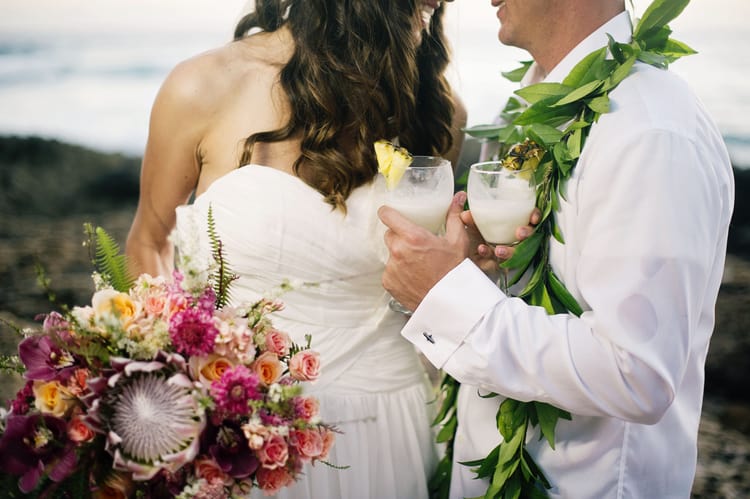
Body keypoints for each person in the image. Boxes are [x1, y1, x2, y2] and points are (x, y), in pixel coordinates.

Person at [378, 0, 734, 497]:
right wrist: (477, 272)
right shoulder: (529, 109)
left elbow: (636, 373)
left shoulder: (650, 132)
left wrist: (448, 298)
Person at [125, 1, 466, 497]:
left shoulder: (437, 110)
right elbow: (149, 240)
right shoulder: (204, 86)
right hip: (240, 432)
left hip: (390, 421)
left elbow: (428, 273)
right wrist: (161, 389)